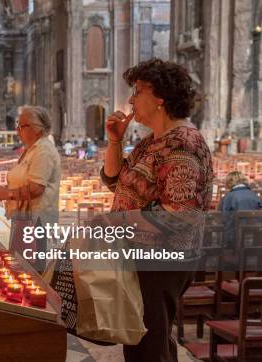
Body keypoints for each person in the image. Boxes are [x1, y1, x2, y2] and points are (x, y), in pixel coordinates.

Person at [101, 58, 213, 361]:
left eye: (138, 91)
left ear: (160, 97)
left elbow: (177, 215)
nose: (131, 99)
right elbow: (115, 181)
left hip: (161, 260)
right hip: (142, 257)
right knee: (147, 340)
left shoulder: (182, 145)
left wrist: (113, 223)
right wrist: (115, 141)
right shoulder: (153, 142)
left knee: (147, 347)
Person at [0, 105, 61, 238]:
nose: (17, 129)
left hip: (37, 224)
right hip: (23, 220)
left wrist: (8, 193)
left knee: (30, 258)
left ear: (37, 129)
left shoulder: (43, 151)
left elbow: (36, 188)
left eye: (22, 126)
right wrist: (3, 190)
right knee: (18, 257)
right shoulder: (31, 149)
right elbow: (25, 181)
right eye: (18, 125)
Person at [219, 171, 262, 247]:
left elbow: (223, 219)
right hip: (256, 238)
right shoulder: (255, 196)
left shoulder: (228, 197)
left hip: (234, 239)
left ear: (229, 181)